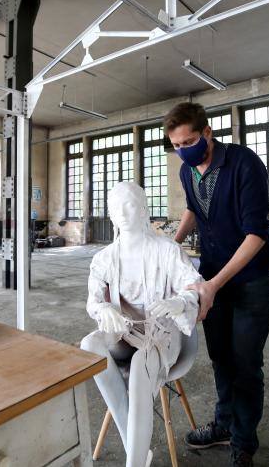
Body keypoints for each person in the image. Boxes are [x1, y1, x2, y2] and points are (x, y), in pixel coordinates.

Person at [164, 102, 269, 467]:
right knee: (220, 359)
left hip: (248, 280)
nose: (184, 149)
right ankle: (224, 424)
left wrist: (214, 284)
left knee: (245, 363)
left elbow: (256, 233)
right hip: (210, 277)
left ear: (207, 133)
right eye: (177, 145)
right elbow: (195, 209)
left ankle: (244, 442)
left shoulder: (244, 164)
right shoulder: (187, 172)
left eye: (190, 141)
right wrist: (172, 243)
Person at [80, 181, 201, 467]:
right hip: (124, 334)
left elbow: (194, 286)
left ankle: (134, 462)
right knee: (89, 345)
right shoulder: (104, 258)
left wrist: (179, 302)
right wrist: (104, 309)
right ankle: (135, 449)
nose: (123, 212)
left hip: (162, 334)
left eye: (130, 204)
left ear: (144, 208)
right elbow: (92, 301)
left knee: (140, 365)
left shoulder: (166, 250)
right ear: (110, 215)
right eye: (116, 207)